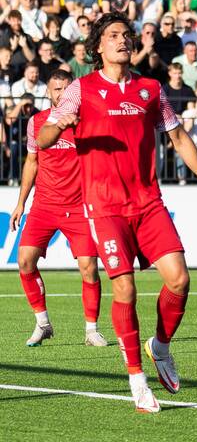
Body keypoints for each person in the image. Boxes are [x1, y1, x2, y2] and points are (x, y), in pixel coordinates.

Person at [36, 12, 197, 414]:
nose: (123, 40)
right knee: (125, 289)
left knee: (179, 280)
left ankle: (159, 345)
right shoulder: (80, 89)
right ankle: (137, 380)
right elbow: (43, 137)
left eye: (127, 34)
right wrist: (61, 124)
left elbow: (178, 137)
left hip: (149, 202)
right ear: (98, 47)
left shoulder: (150, 88)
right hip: (104, 208)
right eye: (113, 35)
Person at [12, 69, 108, 348]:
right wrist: (21, 203)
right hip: (44, 205)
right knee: (25, 261)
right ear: (48, 92)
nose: (62, 94)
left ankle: (92, 330)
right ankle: (42, 323)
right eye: (56, 89)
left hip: (79, 207)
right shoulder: (37, 123)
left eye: (67, 89)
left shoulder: (87, 122)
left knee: (89, 267)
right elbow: (32, 163)